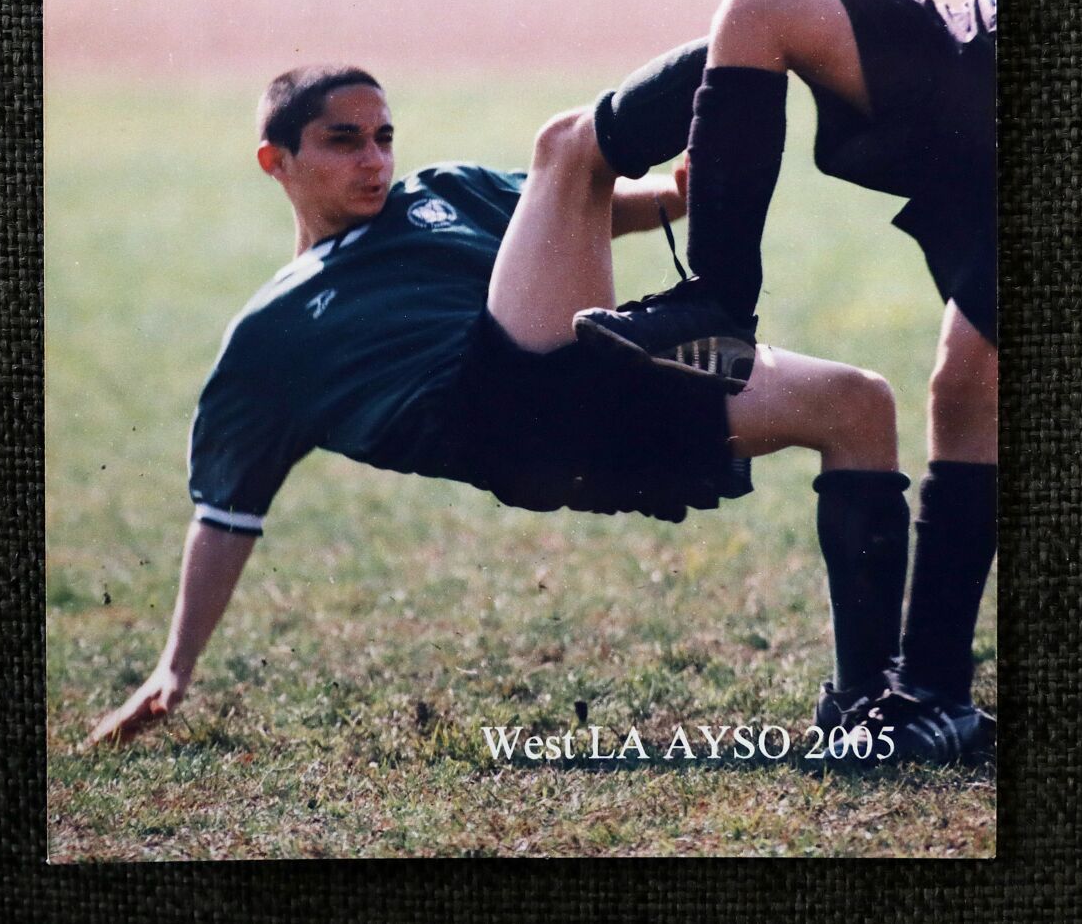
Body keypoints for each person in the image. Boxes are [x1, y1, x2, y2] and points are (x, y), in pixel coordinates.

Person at [85, 65, 926, 765]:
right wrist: (174, 669)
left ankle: (866, 705)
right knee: (568, 144)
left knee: (857, 404)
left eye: (383, 137)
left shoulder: (440, 193)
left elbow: (581, 206)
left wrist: (677, 197)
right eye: (343, 141)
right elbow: (225, 515)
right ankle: (771, 25)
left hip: (592, 405)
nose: (373, 159)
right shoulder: (269, 334)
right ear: (275, 161)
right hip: (500, 419)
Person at [575, 0, 998, 766]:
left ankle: (931, 691)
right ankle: (716, 306)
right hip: (974, 58)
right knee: (758, 13)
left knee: (965, 384)